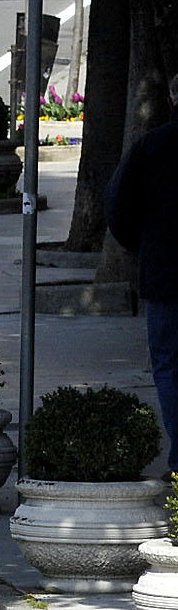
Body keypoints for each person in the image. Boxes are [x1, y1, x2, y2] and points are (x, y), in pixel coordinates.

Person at [106, 79, 178, 477]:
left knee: (168, 365)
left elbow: (119, 207)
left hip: (164, 273)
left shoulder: (150, 147)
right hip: (162, 270)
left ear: (171, 99)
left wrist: (142, 246)